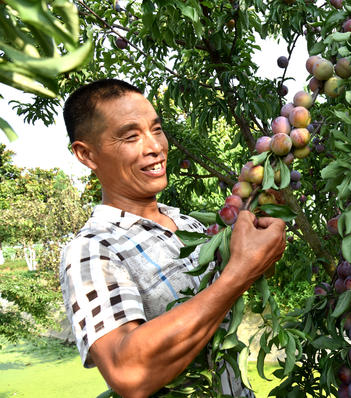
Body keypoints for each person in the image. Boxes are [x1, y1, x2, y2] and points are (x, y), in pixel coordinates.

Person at [60, 79, 286, 398]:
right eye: (130, 136)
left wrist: (257, 251)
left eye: (156, 129)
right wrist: (241, 272)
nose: (155, 147)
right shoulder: (92, 250)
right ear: (87, 154)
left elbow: (225, 298)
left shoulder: (190, 226)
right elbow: (127, 371)